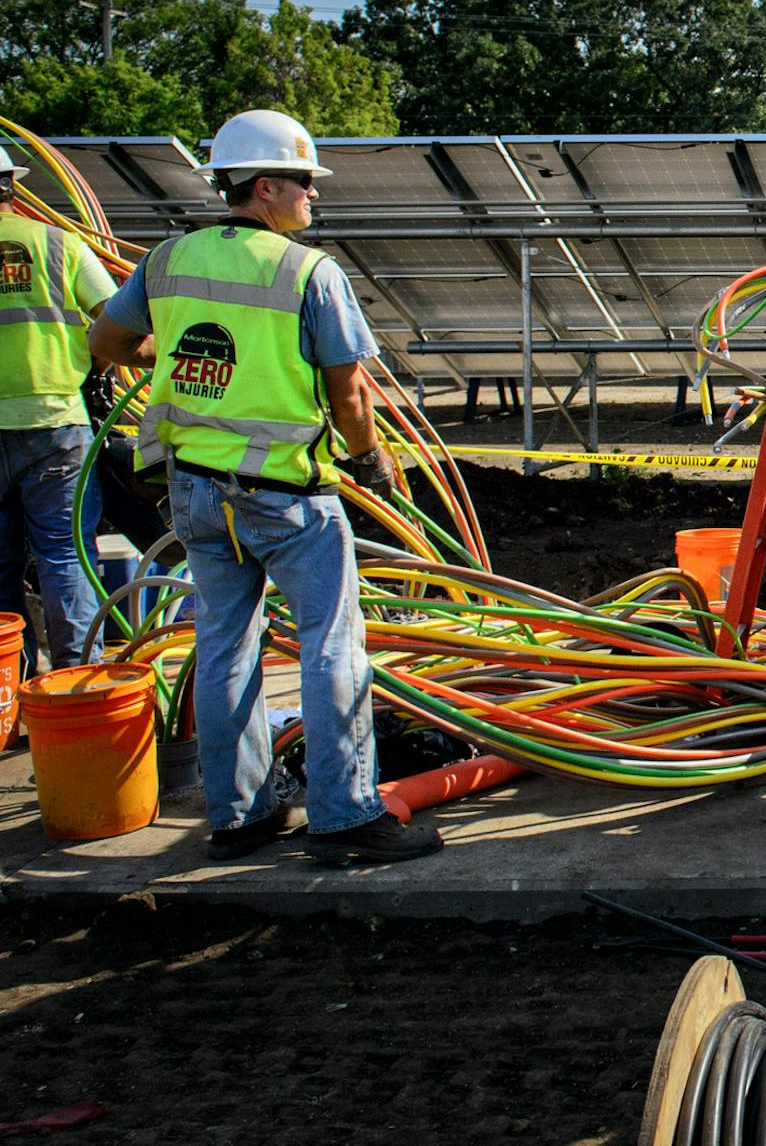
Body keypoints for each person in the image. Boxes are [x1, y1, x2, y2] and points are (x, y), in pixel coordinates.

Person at [88, 109, 439, 865]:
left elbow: (106, 341)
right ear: (267, 186)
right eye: (306, 185)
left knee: (221, 645)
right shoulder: (309, 271)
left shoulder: (168, 261)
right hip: (285, 495)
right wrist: (372, 461)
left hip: (194, 492)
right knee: (332, 646)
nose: (314, 198)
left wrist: (172, 356)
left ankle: (241, 813)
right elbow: (350, 393)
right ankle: (345, 816)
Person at [0, 143, 118, 675]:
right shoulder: (58, 244)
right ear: (11, 187)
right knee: (64, 557)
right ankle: (76, 686)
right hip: (56, 424)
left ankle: (11, 693)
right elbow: (117, 323)